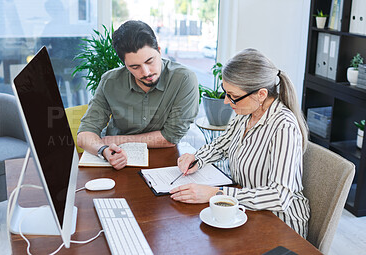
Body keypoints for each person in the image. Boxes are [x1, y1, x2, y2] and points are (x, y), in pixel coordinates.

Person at [170, 48, 310, 238]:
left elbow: (279, 197)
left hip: (279, 223)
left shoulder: (284, 127)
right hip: (247, 210)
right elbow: (223, 144)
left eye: (233, 96)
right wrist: (197, 158)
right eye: (225, 92)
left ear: (261, 94)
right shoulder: (246, 113)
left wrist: (217, 193)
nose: (227, 101)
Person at [77, 20, 199, 170]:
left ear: (159, 51)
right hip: (116, 160)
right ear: (124, 64)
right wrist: (103, 150)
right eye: (135, 67)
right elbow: (84, 134)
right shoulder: (110, 81)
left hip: (164, 162)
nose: (146, 72)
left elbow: (171, 137)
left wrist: (118, 139)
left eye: (150, 61)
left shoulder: (183, 79)